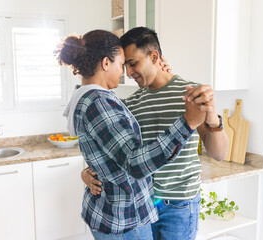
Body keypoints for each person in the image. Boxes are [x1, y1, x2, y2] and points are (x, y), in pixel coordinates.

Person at [56, 29, 206, 240]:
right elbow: (133, 162)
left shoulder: (96, 99)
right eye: (122, 63)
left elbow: (108, 148)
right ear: (106, 63)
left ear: (154, 58)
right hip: (123, 217)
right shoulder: (100, 101)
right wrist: (188, 122)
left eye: (130, 63)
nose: (124, 72)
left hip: (134, 211)